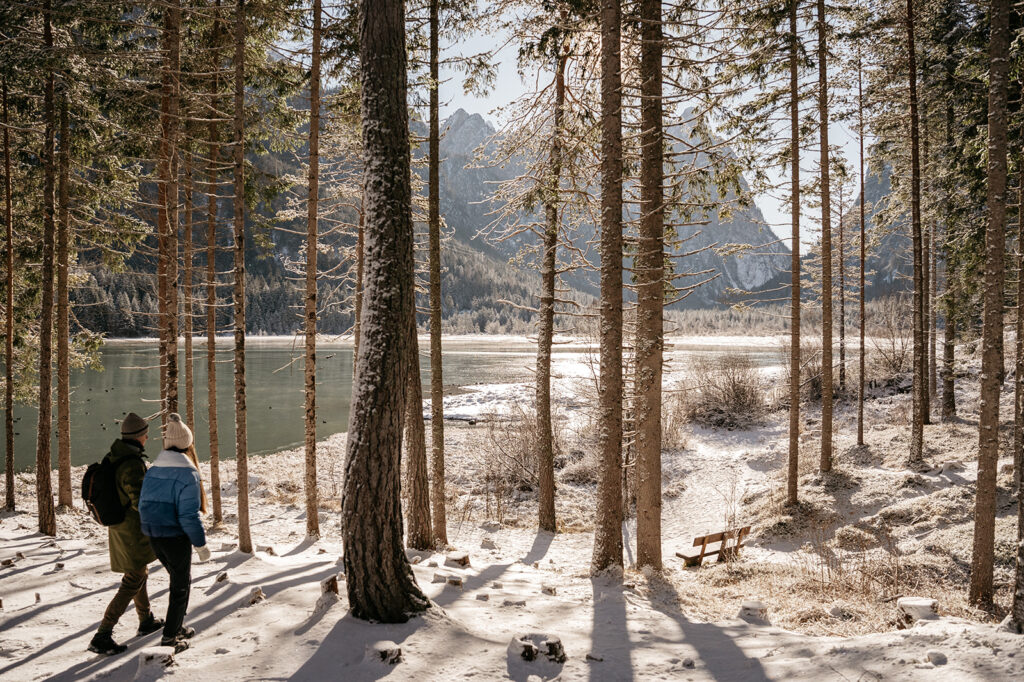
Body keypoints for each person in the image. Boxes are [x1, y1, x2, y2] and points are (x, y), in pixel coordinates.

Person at [88, 412, 165, 656]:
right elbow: (140, 501)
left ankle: (145, 620)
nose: (147, 438)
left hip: (120, 528)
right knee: (133, 578)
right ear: (139, 437)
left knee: (139, 571)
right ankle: (103, 634)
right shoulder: (131, 463)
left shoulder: (115, 456)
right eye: (145, 434)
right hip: (132, 532)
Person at [139, 413, 211, 653]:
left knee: (178, 580)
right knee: (180, 586)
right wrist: (200, 545)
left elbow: (143, 503)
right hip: (174, 536)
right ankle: (170, 637)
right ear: (186, 443)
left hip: (152, 534)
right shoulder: (187, 474)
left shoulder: (153, 469)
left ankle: (176, 626)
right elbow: (188, 516)